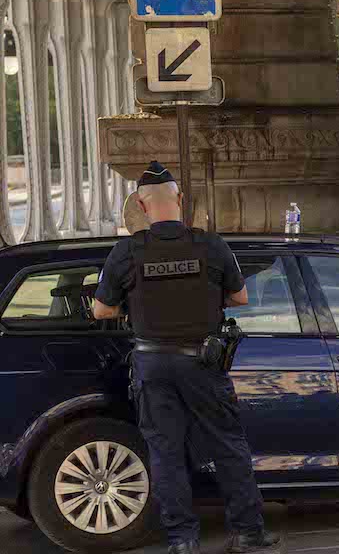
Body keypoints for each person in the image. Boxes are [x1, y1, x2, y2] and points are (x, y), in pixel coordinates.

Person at [93, 162, 278, 554]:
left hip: (152, 364)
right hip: (203, 362)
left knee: (166, 453)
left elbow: (101, 311)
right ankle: (248, 533)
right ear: (180, 200)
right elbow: (240, 298)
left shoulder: (127, 251)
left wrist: (136, 305)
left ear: (142, 207)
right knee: (228, 446)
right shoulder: (210, 245)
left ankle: (182, 541)